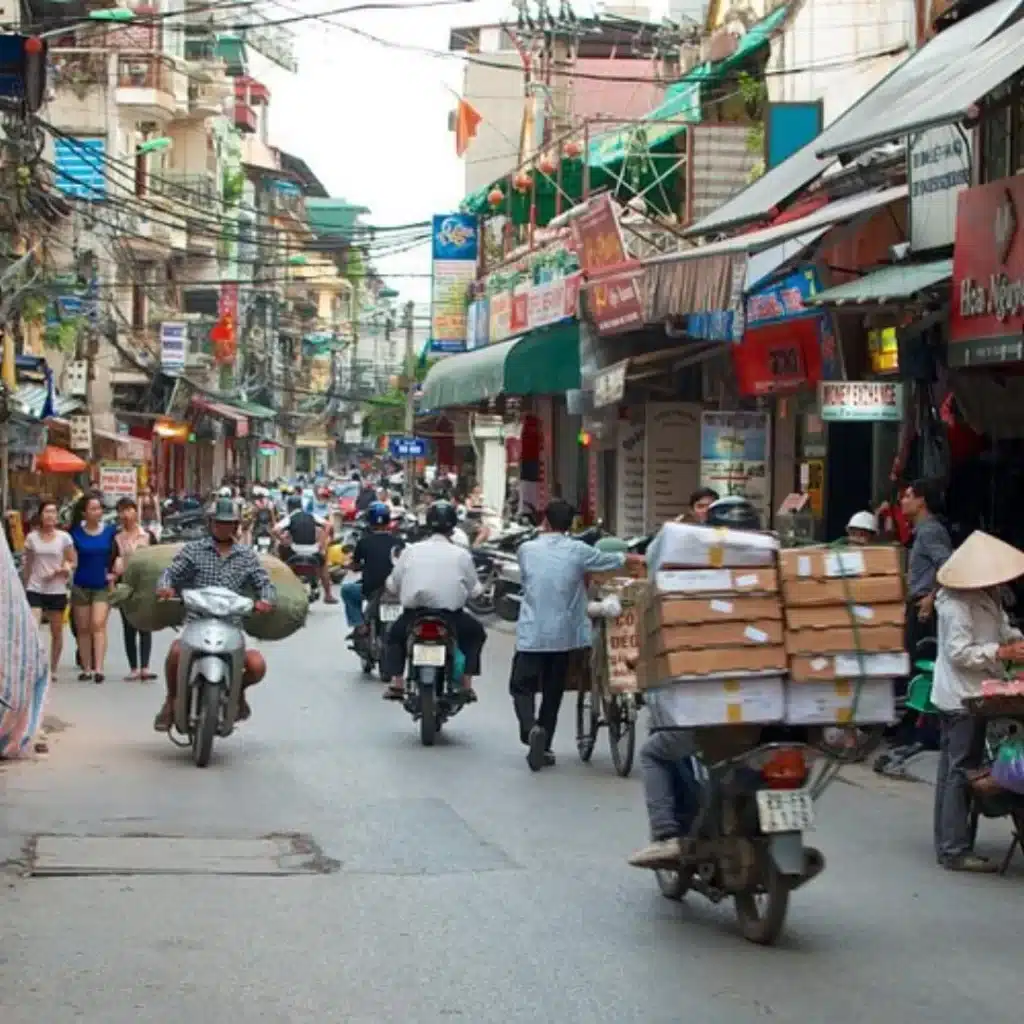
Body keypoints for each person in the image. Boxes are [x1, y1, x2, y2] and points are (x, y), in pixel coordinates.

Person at [629, 496, 760, 868]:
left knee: (653, 752)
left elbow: (669, 634)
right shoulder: (774, 575)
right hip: (776, 717)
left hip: (711, 712)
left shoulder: (693, 582)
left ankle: (666, 835)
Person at [511, 499, 637, 771]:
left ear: (544, 521)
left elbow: (530, 580)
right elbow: (615, 560)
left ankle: (530, 729)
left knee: (521, 686)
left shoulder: (526, 549)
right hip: (564, 636)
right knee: (553, 692)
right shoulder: (580, 552)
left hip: (532, 634)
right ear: (571, 525)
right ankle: (543, 745)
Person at [931, 530, 1024, 872]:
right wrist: (1000, 652)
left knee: (954, 768)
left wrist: (1014, 642)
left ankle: (950, 841)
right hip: (962, 695)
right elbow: (959, 653)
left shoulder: (990, 595)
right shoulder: (955, 604)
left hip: (979, 689)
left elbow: (1003, 629)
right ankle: (954, 848)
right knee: (960, 769)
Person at [153, 498, 276, 731]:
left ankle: (237, 693)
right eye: (219, 523)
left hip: (232, 626)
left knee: (256, 664)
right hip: (196, 622)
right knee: (177, 652)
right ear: (211, 524)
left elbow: (264, 583)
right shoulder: (194, 551)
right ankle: (171, 701)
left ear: (236, 526)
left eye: (228, 524)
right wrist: (165, 586)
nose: (223, 527)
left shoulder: (247, 556)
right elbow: (171, 573)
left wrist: (266, 600)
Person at [381, 500, 486, 701]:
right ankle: (466, 683)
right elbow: (475, 591)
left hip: (414, 615)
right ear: (454, 526)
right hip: (451, 617)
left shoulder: (411, 551)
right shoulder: (461, 554)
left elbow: (393, 585)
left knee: (394, 636)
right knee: (476, 634)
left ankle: (397, 683)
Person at [21, 497, 76, 679]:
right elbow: (27, 564)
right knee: (33, 628)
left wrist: (64, 569)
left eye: (53, 512)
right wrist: (24, 586)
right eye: (47, 512)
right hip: (35, 587)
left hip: (57, 589)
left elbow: (72, 560)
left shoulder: (64, 538)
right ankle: (36, 665)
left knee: (56, 631)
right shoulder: (32, 537)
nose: (50, 515)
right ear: (40, 515)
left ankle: (52, 668)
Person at [69, 492, 118, 683]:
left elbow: (117, 554)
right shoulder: (74, 534)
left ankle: (99, 668)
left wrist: (114, 573)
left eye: (99, 508)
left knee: (97, 624)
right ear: (84, 513)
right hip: (81, 584)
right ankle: (86, 668)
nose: (97, 512)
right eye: (93, 509)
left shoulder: (109, 532)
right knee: (83, 628)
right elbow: (70, 558)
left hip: (101, 585)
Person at [901, 478, 954, 654]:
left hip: (925, 607)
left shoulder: (930, 531)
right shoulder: (921, 531)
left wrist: (932, 597)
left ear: (921, 502)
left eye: (908, 496)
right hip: (918, 603)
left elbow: (948, 566)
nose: (903, 501)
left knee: (921, 659)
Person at [112, 497, 155, 681]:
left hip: (145, 586)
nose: (126, 515)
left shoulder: (147, 536)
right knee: (128, 626)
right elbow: (112, 562)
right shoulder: (117, 539)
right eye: (122, 511)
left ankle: (145, 666)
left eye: (129, 510)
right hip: (125, 585)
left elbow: (156, 559)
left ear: (135, 512)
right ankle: (133, 667)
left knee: (145, 625)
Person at [342, 501, 401, 636]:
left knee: (347, 590)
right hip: (397, 589)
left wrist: (350, 566)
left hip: (371, 589)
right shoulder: (398, 541)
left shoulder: (364, 542)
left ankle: (359, 624)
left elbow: (355, 564)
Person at [274, 495, 338, 603]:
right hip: (313, 551)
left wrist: (283, 541)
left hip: (295, 552)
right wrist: (321, 544)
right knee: (323, 568)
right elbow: (328, 525)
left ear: (289, 508)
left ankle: (281, 593)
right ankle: (328, 595)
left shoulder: (290, 518)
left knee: (283, 565)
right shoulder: (312, 515)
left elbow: (275, 529)